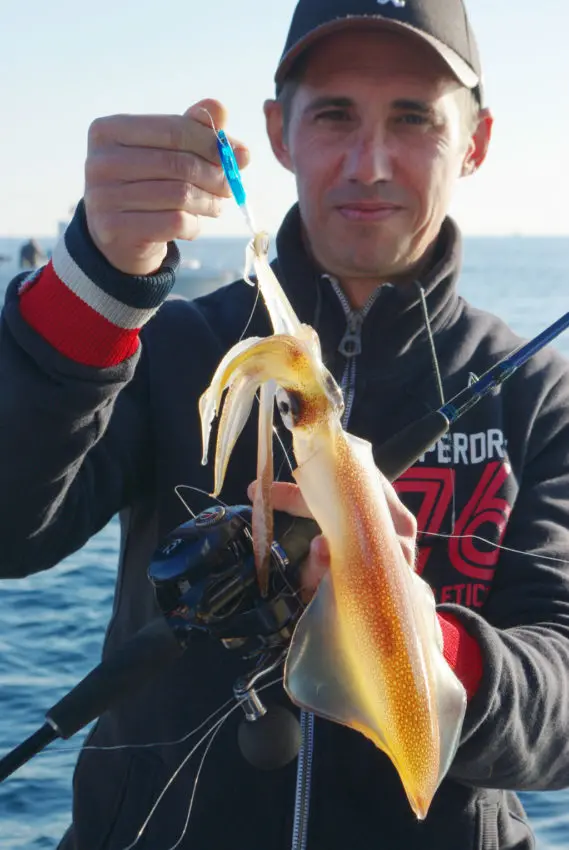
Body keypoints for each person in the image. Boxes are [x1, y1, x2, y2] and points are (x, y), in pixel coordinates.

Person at [2, 0, 569, 847]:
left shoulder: (538, 391)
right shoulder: (170, 345)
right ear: (277, 132)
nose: (369, 163)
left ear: (475, 140)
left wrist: (424, 650)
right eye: (334, 114)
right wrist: (96, 285)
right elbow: (13, 532)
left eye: (412, 119)